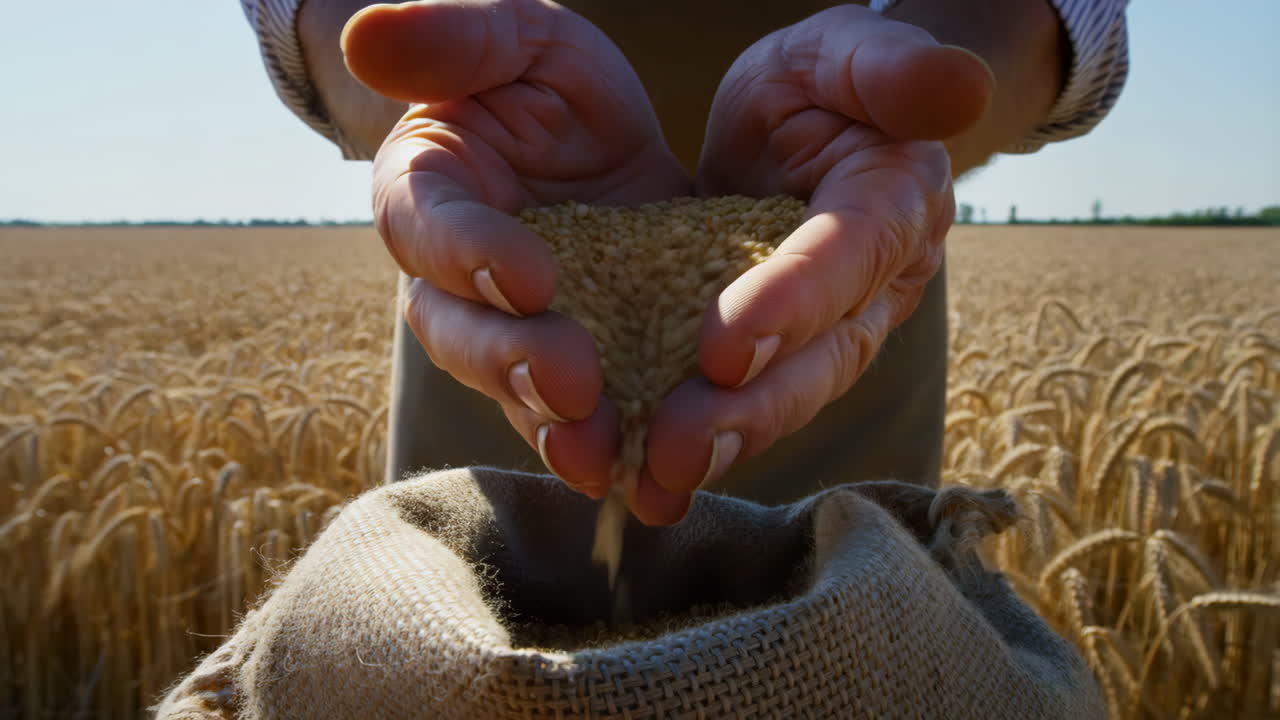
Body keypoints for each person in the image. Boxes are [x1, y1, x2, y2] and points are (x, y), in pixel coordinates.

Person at [239, 0, 1128, 526]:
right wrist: (422, 75)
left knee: (835, 641)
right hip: (495, 237)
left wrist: (918, 95)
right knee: (474, 620)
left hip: (836, 249)